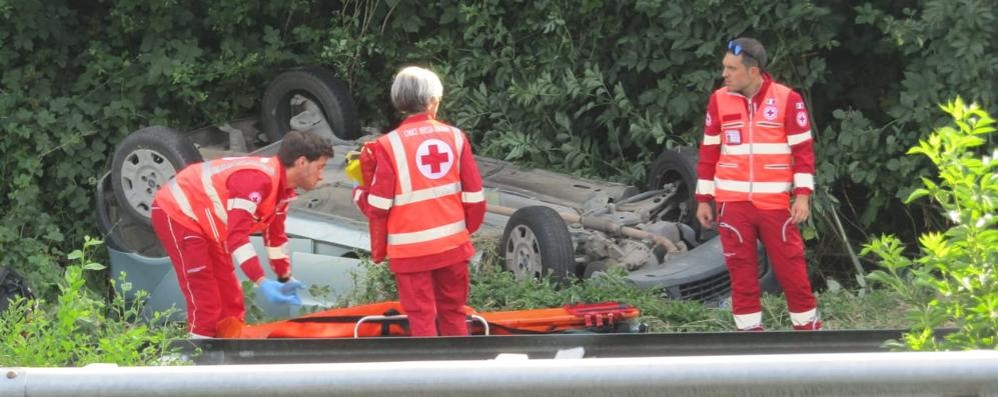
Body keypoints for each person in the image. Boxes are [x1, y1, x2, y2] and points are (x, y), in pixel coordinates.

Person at [150, 130, 334, 338]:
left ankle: (229, 352)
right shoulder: (255, 181)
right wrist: (262, 281)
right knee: (205, 297)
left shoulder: (281, 189)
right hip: (178, 212)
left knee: (231, 298)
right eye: (320, 167)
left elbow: (274, 238)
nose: (321, 176)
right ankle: (197, 358)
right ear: (302, 162)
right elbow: (236, 237)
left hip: (202, 220)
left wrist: (285, 277)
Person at [694, 37, 822, 331]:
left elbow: (803, 153)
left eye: (731, 68)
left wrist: (802, 197)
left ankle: (809, 333)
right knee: (741, 274)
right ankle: (748, 338)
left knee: (792, 269)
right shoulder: (718, 100)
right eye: (724, 67)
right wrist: (704, 198)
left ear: (753, 72)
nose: (724, 74)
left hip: (775, 202)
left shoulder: (788, 99)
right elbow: (709, 151)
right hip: (732, 202)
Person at [352, 66, 486, 337]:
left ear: (399, 103)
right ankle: (463, 375)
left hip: (410, 253)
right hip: (452, 246)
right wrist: (462, 232)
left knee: (422, 318)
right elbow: (475, 197)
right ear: (433, 101)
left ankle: (430, 377)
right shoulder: (456, 137)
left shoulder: (388, 145)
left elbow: (378, 206)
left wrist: (358, 195)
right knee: (454, 312)